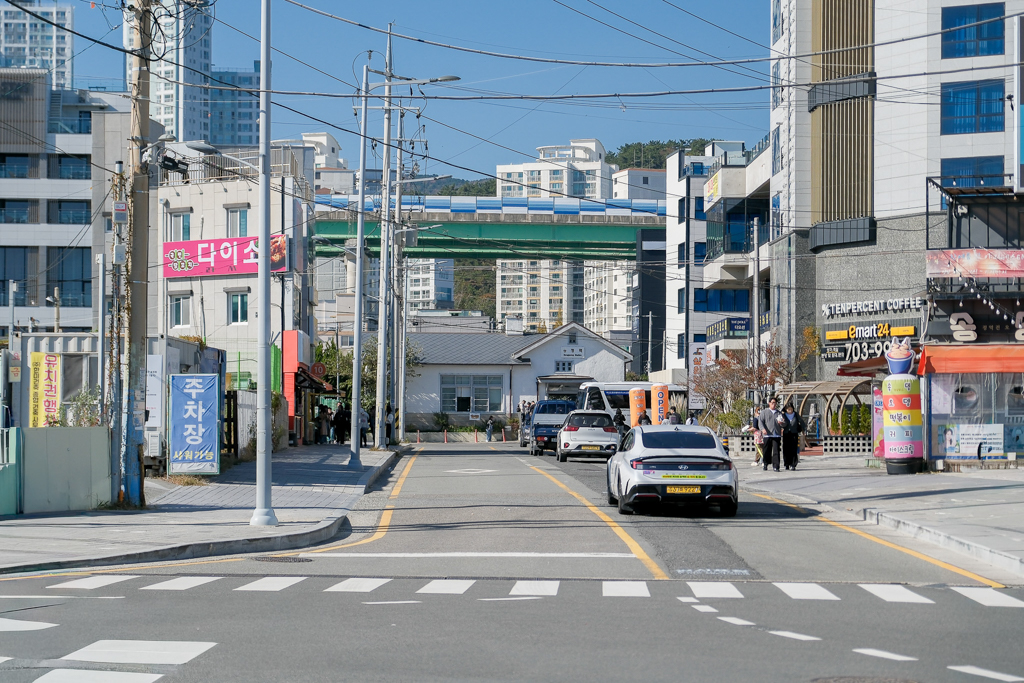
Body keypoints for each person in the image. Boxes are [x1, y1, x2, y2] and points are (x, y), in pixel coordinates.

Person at [757, 396, 783, 472]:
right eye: (772, 403)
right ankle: (765, 463)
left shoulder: (779, 413)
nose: (773, 404)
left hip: (776, 434)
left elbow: (783, 424)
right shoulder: (764, 412)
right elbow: (760, 422)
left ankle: (776, 466)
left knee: (776, 451)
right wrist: (762, 429)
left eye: (775, 403)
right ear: (769, 403)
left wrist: (781, 423)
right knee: (766, 451)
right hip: (767, 434)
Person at [781, 403, 805, 470]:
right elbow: (780, 423)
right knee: (786, 449)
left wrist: (804, 430)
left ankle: (793, 464)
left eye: (791, 409)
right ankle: (786, 464)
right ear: (786, 409)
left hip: (794, 433)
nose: (790, 410)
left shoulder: (796, 414)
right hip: (786, 433)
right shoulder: (783, 415)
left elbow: (801, 422)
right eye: (788, 409)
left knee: (793, 449)